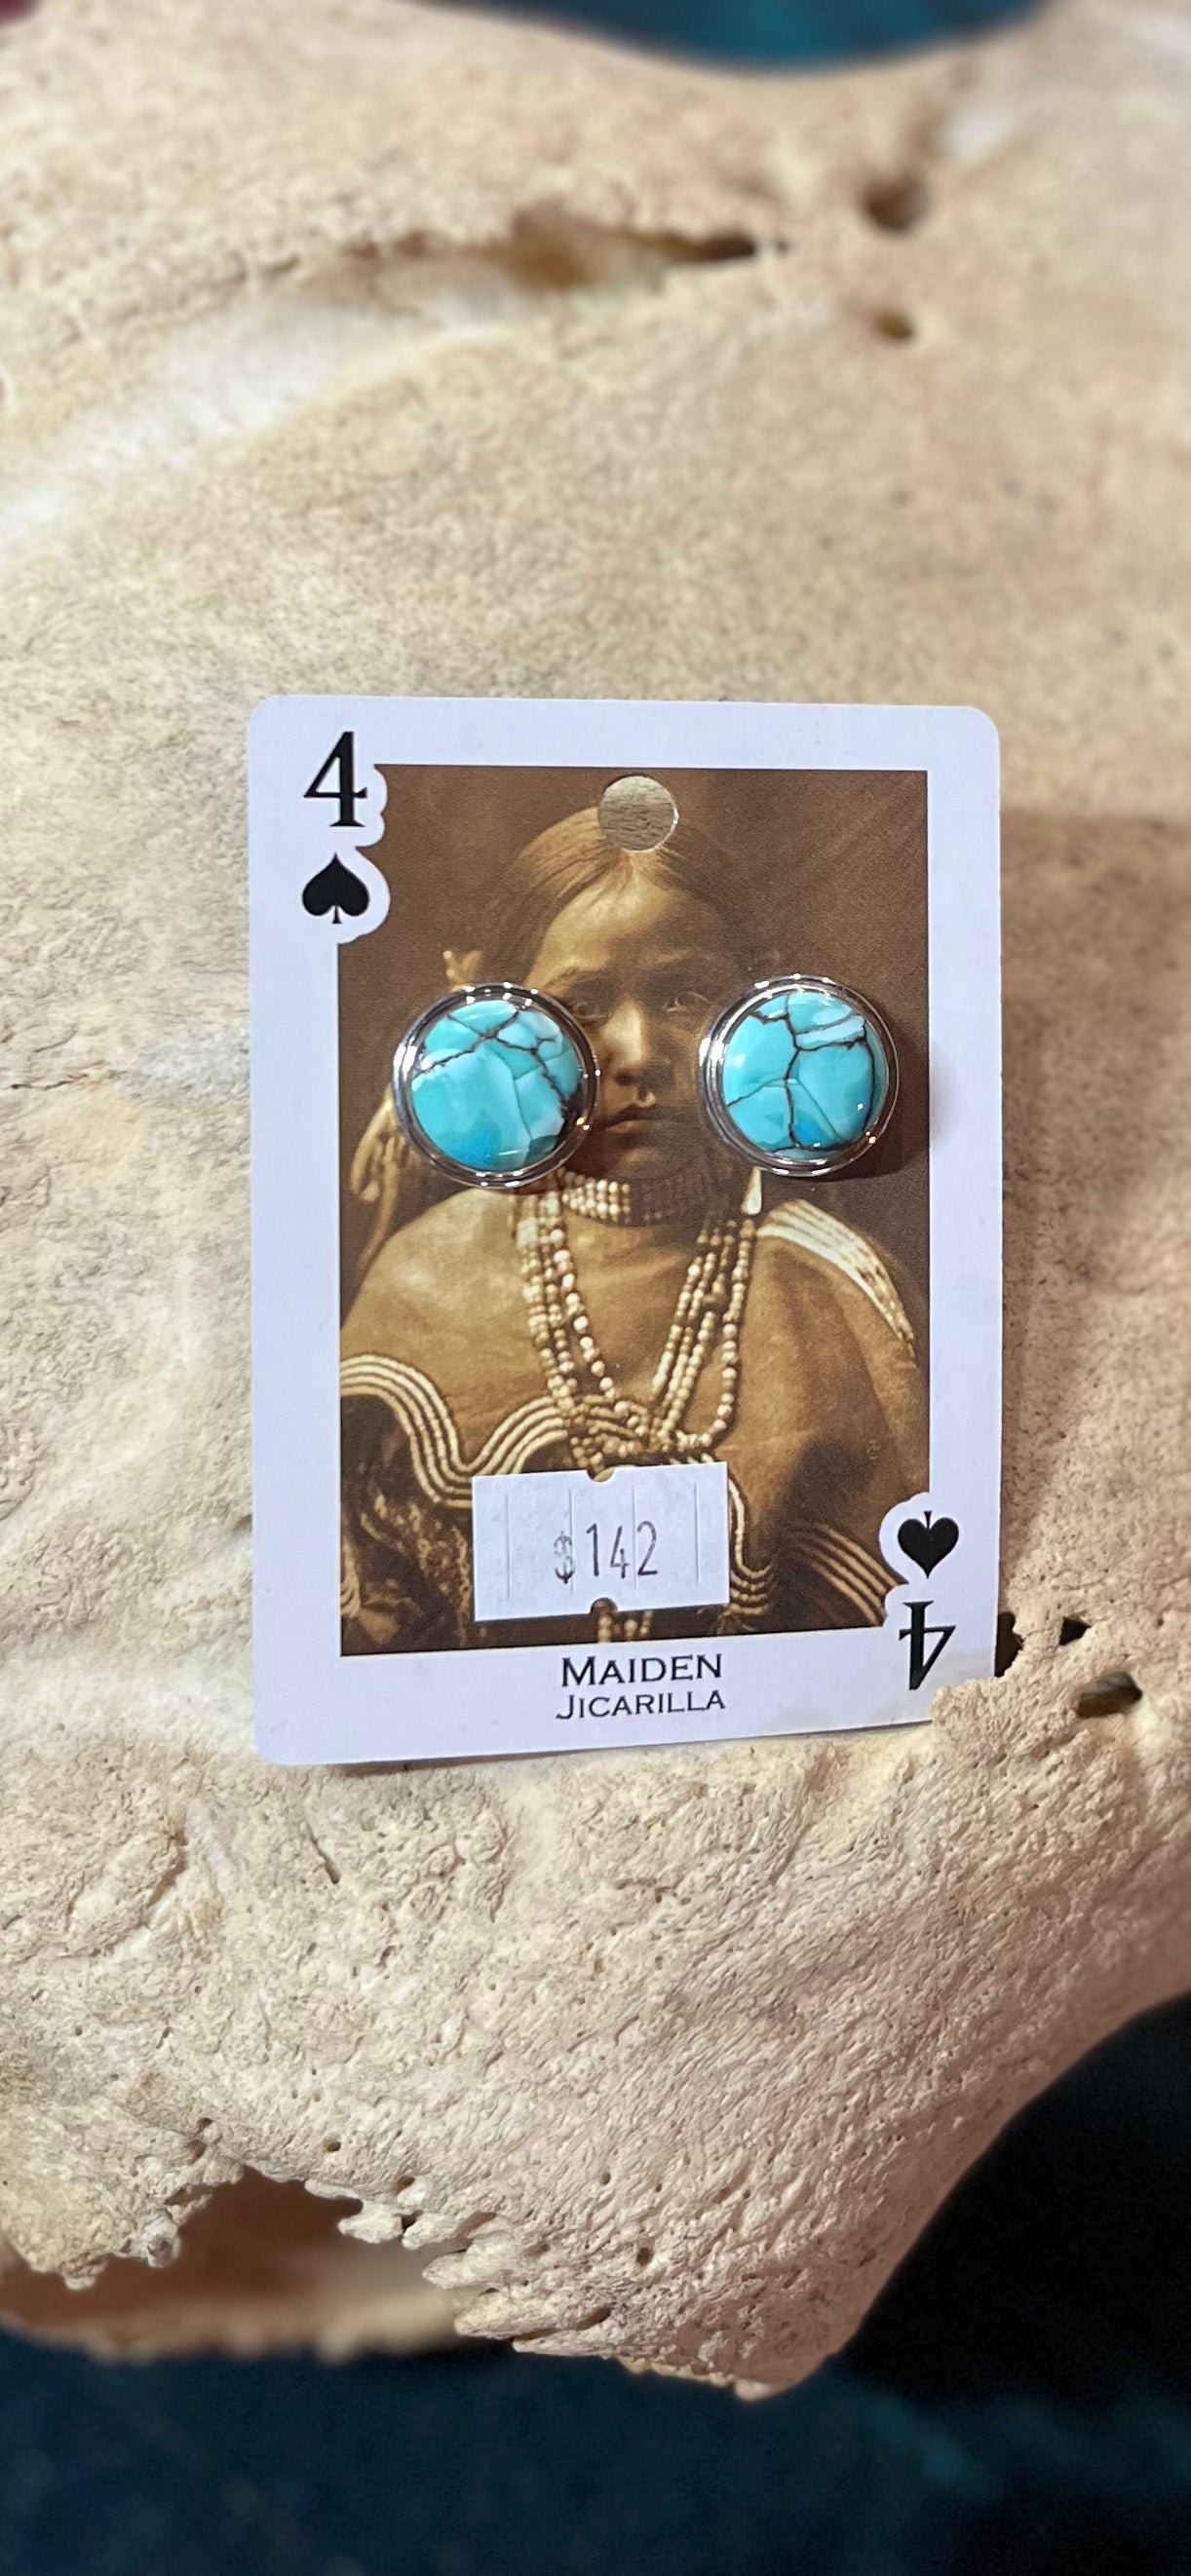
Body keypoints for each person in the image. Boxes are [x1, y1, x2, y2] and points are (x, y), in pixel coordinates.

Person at [340, 800, 926, 1651]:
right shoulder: (425, 1278)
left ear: (757, 1002)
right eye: (579, 1004)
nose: (640, 1052)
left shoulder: (831, 1287)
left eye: (684, 996)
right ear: (496, 1015)